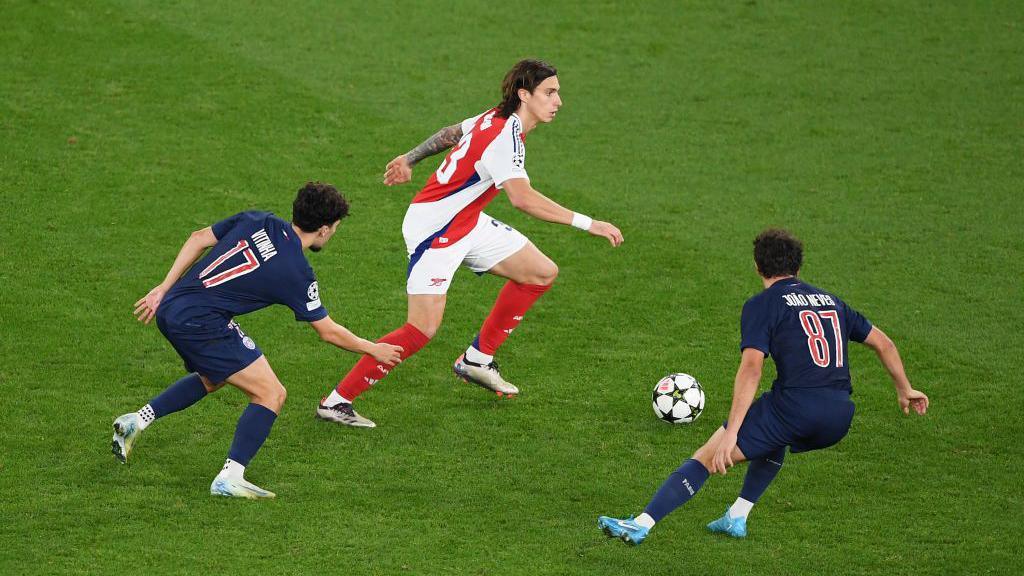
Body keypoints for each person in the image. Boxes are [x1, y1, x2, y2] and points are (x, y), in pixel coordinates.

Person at [315, 59, 624, 428]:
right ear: (525, 95)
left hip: (465, 221)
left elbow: (450, 133)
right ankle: (336, 402)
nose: (558, 101)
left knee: (540, 272)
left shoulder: (496, 116)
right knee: (421, 329)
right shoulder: (504, 139)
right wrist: (588, 223)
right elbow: (522, 199)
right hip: (436, 230)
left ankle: (477, 359)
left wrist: (409, 158)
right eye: (550, 92)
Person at [598, 229, 929, 544]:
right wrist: (905, 388)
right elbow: (883, 344)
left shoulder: (763, 304)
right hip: (840, 415)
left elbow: (752, 368)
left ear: (757, 265)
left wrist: (731, 432)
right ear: (798, 266)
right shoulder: (832, 301)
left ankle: (641, 523)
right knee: (775, 430)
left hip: (797, 409)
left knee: (706, 457)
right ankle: (737, 516)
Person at [110, 182, 403, 498]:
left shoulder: (257, 219)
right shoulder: (297, 272)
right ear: (323, 229)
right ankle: (230, 477)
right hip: (200, 323)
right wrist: (373, 348)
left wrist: (163, 288)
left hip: (175, 306)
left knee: (214, 377)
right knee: (271, 393)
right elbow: (327, 331)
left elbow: (198, 238)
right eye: (334, 228)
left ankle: (136, 421)